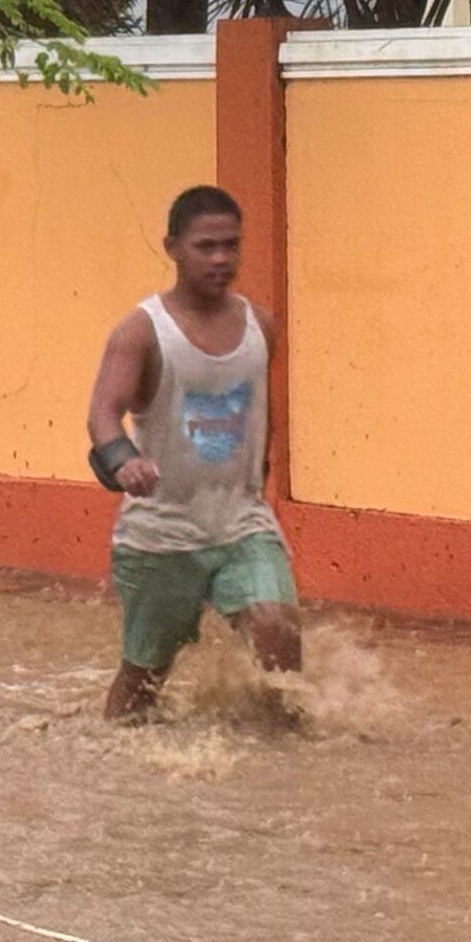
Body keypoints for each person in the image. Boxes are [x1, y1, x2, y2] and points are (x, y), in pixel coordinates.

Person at [85, 181, 301, 719]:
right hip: (161, 536)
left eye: (231, 245)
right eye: (206, 246)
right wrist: (123, 461)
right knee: (143, 685)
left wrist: (260, 488)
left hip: (241, 525)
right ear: (172, 247)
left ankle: (280, 779)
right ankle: (116, 768)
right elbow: (102, 414)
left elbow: (263, 414)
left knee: (280, 647)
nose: (221, 258)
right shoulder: (141, 332)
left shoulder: (262, 326)